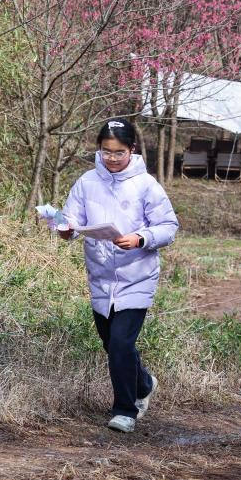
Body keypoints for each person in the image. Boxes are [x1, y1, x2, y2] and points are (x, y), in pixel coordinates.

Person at [59, 117, 179, 433]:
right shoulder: (87, 182)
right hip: (100, 279)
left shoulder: (146, 185)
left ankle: (125, 410)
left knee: (122, 344)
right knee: (112, 344)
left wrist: (140, 238)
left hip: (136, 276)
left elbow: (168, 227)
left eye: (119, 152)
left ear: (132, 150)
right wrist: (65, 229)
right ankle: (144, 383)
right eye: (106, 151)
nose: (111, 158)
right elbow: (71, 219)